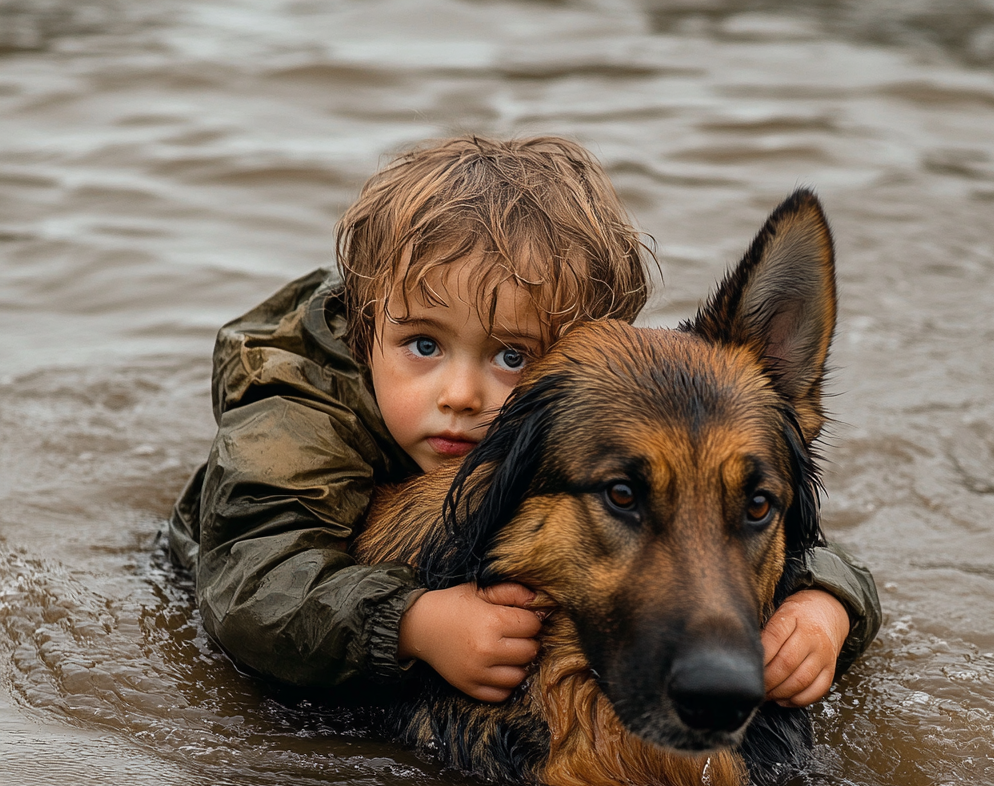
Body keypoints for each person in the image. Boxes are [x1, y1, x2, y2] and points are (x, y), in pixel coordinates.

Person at [167, 135, 880, 711]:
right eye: (424, 345)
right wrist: (416, 624)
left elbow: (769, 526)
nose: (463, 393)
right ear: (363, 330)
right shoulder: (296, 419)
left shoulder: (589, 416)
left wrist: (824, 609)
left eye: (513, 355)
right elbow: (251, 581)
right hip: (241, 545)